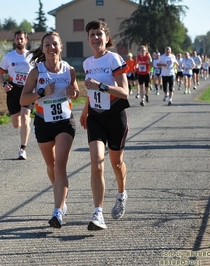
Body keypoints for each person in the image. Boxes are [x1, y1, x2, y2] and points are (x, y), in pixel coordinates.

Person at [20, 31, 80, 229]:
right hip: (43, 122)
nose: (51, 48)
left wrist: (74, 92)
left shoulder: (69, 70)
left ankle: (58, 211)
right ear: (43, 48)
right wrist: (40, 92)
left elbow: (75, 92)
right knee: (51, 166)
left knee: (60, 166)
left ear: (60, 47)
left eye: (54, 44)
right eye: (47, 45)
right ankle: (61, 189)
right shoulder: (36, 72)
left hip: (64, 122)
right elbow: (23, 99)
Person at [80, 20, 130, 230]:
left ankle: (121, 194)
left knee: (116, 164)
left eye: (99, 34)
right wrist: (84, 112)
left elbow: (125, 91)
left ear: (106, 38)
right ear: (88, 38)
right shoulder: (87, 63)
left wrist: (101, 85)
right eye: (92, 34)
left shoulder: (114, 59)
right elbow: (91, 93)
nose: (95, 38)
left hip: (116, 116)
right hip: (96, 117)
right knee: (97, 162)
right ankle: (98, 213)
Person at [0, 30, 34, 160]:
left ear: (26, 40)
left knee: (24, 118)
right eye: (17, 39)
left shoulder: (32, 56)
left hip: (27, 90)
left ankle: (23, 149)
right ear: (14, 40)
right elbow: (0, 72)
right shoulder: (9, 56)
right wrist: (4, 84)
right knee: (16, 124)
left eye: (21, 39)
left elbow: (40, 72)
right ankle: (25, 124)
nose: (19, 41)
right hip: (13, 90)